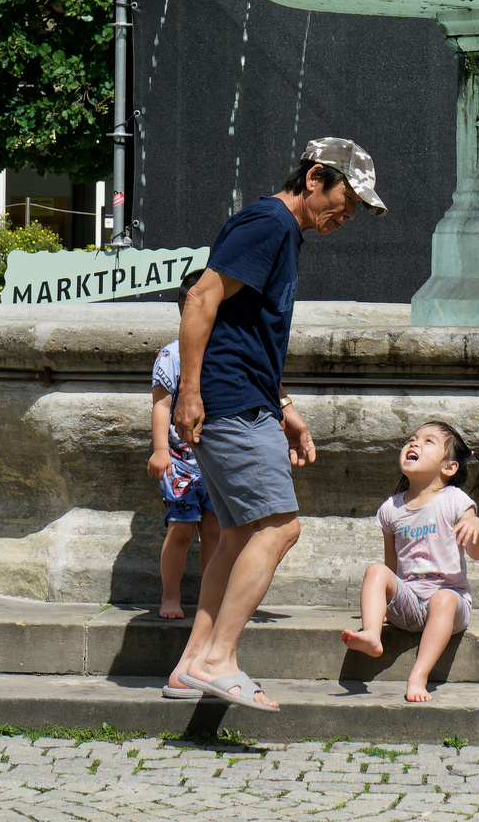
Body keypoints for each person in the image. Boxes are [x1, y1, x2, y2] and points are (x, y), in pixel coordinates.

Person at [168, 137, 386, 712]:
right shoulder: (269, 223)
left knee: (240, 533)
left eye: (358, 208)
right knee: (280, 527)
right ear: (315, 178)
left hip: (246, 397)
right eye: (347, 200)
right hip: (230, 401)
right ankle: (219, 659)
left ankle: (191, 665)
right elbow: (200, 299)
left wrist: (282, 403)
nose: (348, 215)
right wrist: (188, 394)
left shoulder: (280, 230)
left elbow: (243, 328)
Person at [342, 421, 479, 703]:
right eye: (412, 439)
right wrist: (384, 607)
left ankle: (419, 675)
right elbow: (391, 570)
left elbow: (477, 552)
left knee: (443, 599)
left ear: (448, 468)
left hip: (451, 605)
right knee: (375, 571)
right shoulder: (391, 509)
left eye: (428, 442)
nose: (414, 443)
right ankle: (373, 636)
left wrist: (476, 524)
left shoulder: (454, 499)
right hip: (411, 605)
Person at [148, 269, 221, 623]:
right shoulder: (172, 355)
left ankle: (211, 598)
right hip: (181, 462)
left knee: (215, 531)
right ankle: (171, 594)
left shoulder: (224, 354)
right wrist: (161, 449)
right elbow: (161, 405)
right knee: (181, 528)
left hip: (218, 459)